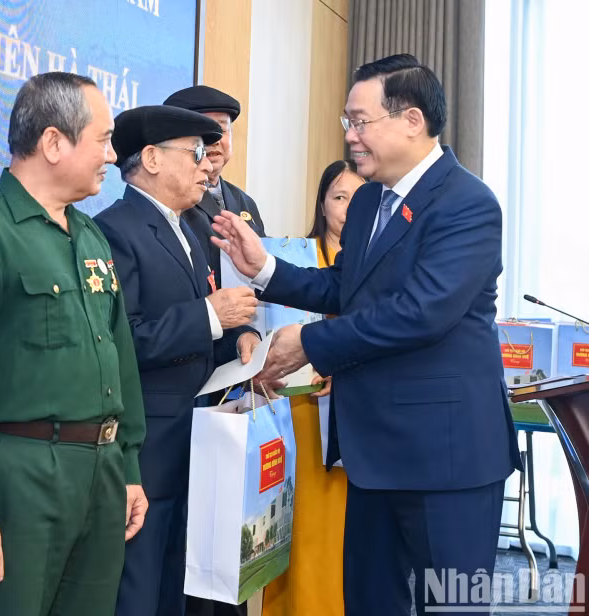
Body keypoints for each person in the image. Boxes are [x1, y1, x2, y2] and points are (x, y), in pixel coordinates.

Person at [212, 54, 521, 616]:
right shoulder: (371, 202)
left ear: (412, 120)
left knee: (451, 606)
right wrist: (265, 271)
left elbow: (421, 311)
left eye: (361, 121)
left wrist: (309, 344)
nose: (351, 136)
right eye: (346, 123)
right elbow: (348, 287)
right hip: (373, 452)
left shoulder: (467, 204)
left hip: (446, 458)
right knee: (369, 603)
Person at [0, 72, 146, 616]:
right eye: (102, 138)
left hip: (100, 476)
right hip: (20, 480)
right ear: (54, 142)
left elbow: (121, 360)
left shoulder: (92, 236)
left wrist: (128, 469)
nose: (112, 153)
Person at [94, 105, 260, 616]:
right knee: (140, 592)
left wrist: (241, 343)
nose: (205, 165)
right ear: (150, 158)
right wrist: (209, 316)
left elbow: (210, 325)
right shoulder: (114, 230)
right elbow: (124, 339)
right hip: (147, 450)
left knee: (181, 593)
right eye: (193, 153)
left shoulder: (192, 228)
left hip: (199, 443)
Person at [262, 159, 364, 616]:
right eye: (339, 197)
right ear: (322, 204)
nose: (347, 208)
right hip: (298, 413)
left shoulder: (372, 267)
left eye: (358, 198)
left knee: (343, 534)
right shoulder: (299, 258)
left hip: (350, 415)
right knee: (295, 526)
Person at [164, 85, 265, 293]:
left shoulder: (245, 202)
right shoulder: (171, 199)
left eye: (221, 129)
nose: (215, 140)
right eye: (204, 130)